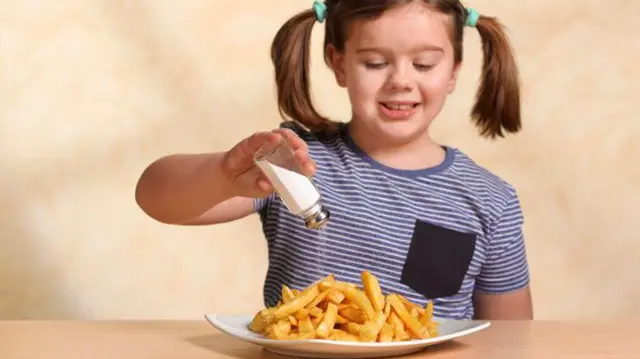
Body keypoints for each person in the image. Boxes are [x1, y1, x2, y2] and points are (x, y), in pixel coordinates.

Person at [135, 0, 533, 321]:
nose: (400, 80)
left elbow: (511, 340)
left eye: (424, 64)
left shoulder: (490, 200)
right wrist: (224, 173)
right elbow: (154, 194)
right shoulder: (295, 164)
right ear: (339, 64)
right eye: (375, 63)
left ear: (453, 73)